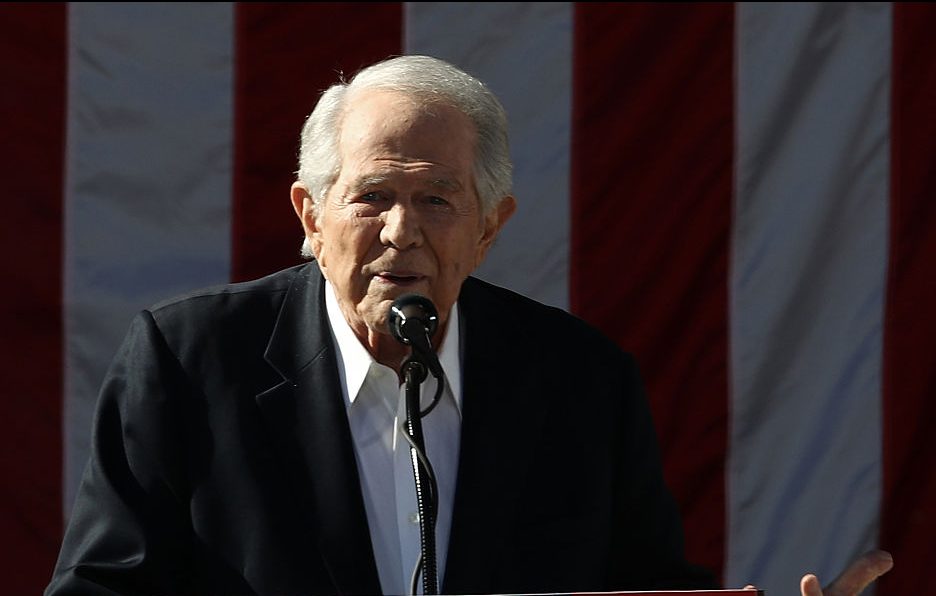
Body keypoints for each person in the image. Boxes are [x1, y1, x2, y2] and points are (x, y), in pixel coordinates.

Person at [46, 55, 891, 595]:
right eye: (371, 196)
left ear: (489, 229)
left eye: (437, 200)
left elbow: (642, 589)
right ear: (310, 216)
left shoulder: (581, 382)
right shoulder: (189, 363)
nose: (400, 232)